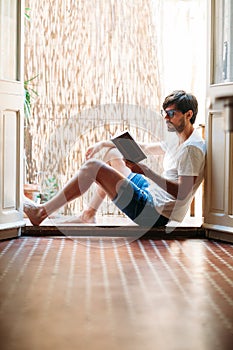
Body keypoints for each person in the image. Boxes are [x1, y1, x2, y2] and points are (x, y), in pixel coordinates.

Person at [24, 90, 206, 227]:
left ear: (188, 115)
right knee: (113, 154)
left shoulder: (192, 150)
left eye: (171, 114)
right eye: (164, 112)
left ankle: (41, 212)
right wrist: (104, 143)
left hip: (154, 212)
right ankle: (88, 214)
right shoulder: (178, 138)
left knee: (93, 167)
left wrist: (146, 171)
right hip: (151, 193)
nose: (165, 118)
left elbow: (182, 193)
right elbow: (144, 148)